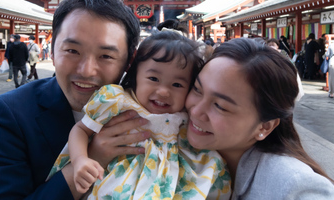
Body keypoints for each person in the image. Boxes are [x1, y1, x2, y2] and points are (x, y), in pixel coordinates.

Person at [0, 0, 146, 200]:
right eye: (72, 51)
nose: (86, 71)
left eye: (106, 56)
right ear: (52, 51)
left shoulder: (148, 112)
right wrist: (92, 156)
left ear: (129, 61)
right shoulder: (8, 115)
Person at [51, 31, 230, 199]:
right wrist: (80, 159)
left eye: (177, 85)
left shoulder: (187, 115)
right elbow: (81, 130)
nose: (163, 91)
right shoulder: (117, 101)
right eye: (153, 79)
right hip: (117, 184)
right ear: (136, 73)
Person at [185, 38, 334, 199]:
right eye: (197, 89)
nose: (196, 111)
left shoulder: (292, 185)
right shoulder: (174, 145)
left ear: (264, 127)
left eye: (220, 106)